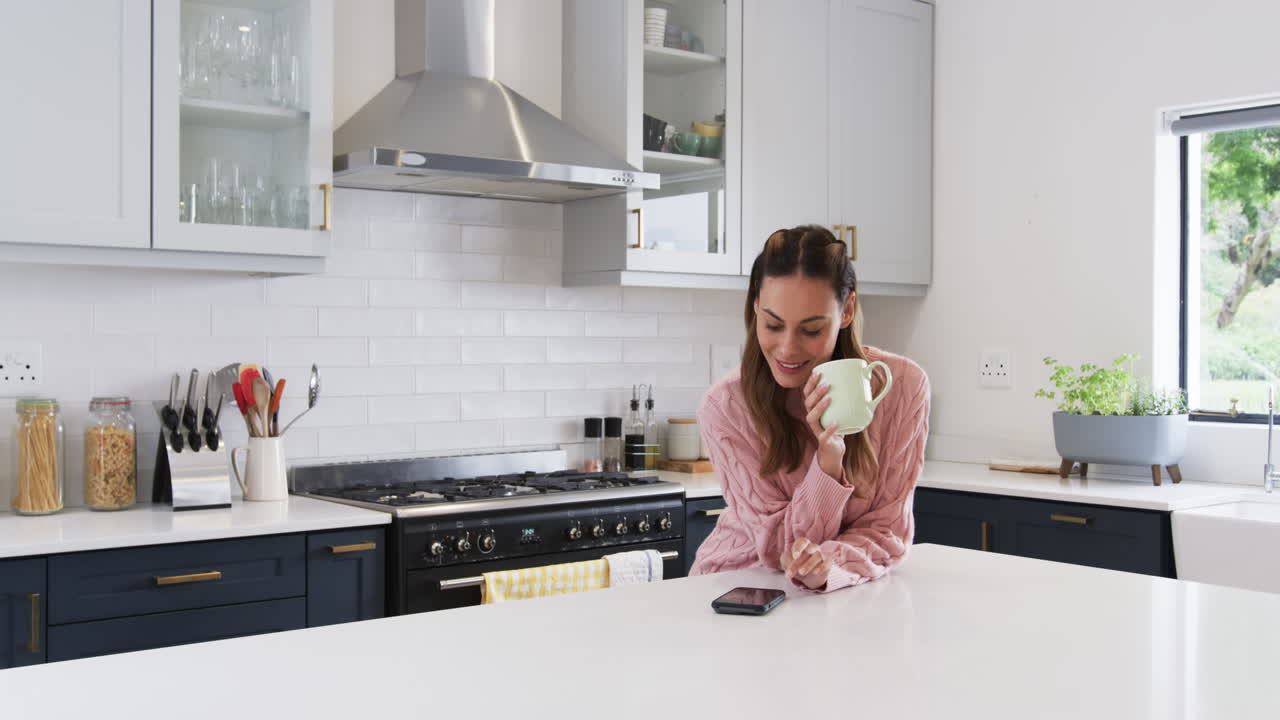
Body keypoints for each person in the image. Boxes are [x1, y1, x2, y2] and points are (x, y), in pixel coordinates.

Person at [688, 225, 930, 592]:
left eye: (811, 330)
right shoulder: (725, 407)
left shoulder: (903, 387)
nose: (788, 349)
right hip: (736, 586)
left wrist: (829, 567)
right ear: (755, 308)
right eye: (773, 325)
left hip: (840, 597)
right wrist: (827, 462)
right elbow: (778, 550)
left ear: (847, 310)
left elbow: (887, 531)